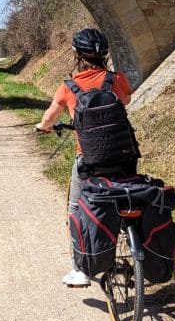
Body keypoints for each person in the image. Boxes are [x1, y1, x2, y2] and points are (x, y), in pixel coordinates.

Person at [35, 27, 136, 288]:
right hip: (124, 156)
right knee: (121, 198)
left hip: (89, 159)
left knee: (76, 209)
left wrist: (42, 128)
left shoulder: (68, 87)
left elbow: (49, 117)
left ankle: (80, 268)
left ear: (77, 56)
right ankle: (132, 247)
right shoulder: (117, 80)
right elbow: (124, 101)